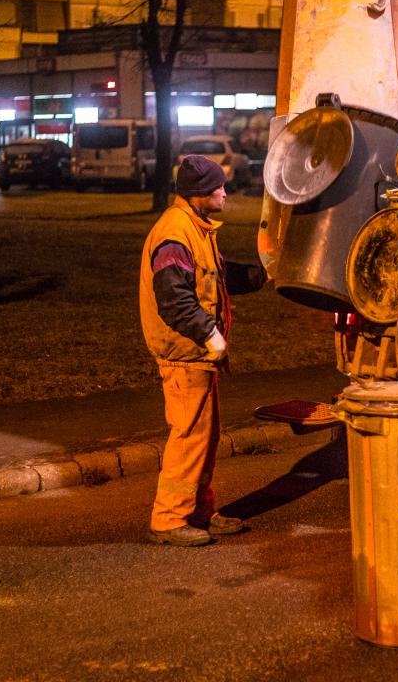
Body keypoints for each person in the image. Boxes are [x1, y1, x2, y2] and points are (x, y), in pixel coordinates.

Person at [139, 154, 268, 547]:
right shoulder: (175, 233)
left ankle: (197, 511)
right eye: (218, 187)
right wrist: (209, 333)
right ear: (199, 193)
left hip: (197, 356)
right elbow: (174, 299)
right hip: (184, 354)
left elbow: (216, 277)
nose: (225, 193)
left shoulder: (195, 229)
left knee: (203, 439)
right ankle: (168, 519)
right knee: (190, 437)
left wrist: (259, 276)